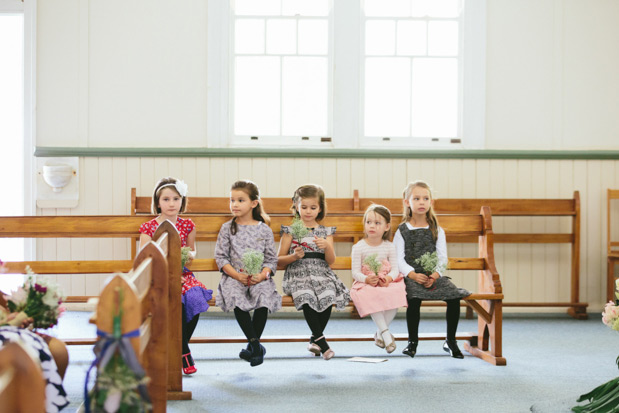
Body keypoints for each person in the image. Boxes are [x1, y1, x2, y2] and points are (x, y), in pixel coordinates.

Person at [139, 177, 212, 374]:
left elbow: (192, 250)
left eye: (176, 199)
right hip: (157, 275)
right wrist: (167, 274)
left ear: (182, 201)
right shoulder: (149, 227)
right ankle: (184, 352)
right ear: (157, 202)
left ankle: (178, 347)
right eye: (166, 199)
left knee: (195, 298)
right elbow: (145, 257)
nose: (171, 204)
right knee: (176, 302)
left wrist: (187, 255)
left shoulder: (188, 225)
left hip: (183, 274)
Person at [394, 181, 470, 359]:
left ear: (431, 202)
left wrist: (435, 275)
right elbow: (399, 259)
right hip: (413, 276)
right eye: (417, 198)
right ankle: (413, 342)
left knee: (453, 296)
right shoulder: (402, 230)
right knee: (413, 298)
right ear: (407, 202)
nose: (422, 202)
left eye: (426, 198)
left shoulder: (437, 230)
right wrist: (412, 274)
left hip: (434, 276)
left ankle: (450, 341)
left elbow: (443, 258)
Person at [277, 184, 350, 360]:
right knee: (306, 294)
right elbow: (278, 261)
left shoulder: (326, 232)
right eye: (303, 207)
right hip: (299, 272)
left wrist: (327, 248)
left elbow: (331, 261)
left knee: (329, 292)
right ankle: (322, 343)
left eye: (313, 207)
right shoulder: (290, 231)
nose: (308, 211)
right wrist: (293, 257)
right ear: (296, 206)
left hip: (321, 272)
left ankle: (315, 340)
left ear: (320, 208)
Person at [214, 180, 281, 367]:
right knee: (235, 295)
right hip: (234, 276)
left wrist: (263, 275)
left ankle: (253, 347)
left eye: (240, 200)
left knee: (264, 295)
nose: (234, 204)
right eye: (232, 200)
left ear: (253, 203)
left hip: (259, 276)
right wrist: (236, 275)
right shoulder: (227, 228)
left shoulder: (264, 229)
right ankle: (256, 346)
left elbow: (271, 260)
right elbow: (221, 257)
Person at [350, 204, 407, 354]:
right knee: (370, 294)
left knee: (397, 292)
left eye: (377, 223)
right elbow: (355, 272)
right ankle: (386, 334)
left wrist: (389, 278)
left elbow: (395, 269)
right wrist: (366, 279)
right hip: (366, 282)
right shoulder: (359, 247)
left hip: (386, 280)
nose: (372, 226)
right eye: (368, 222)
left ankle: (379, 332)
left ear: (387, 226)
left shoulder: (389, 246)